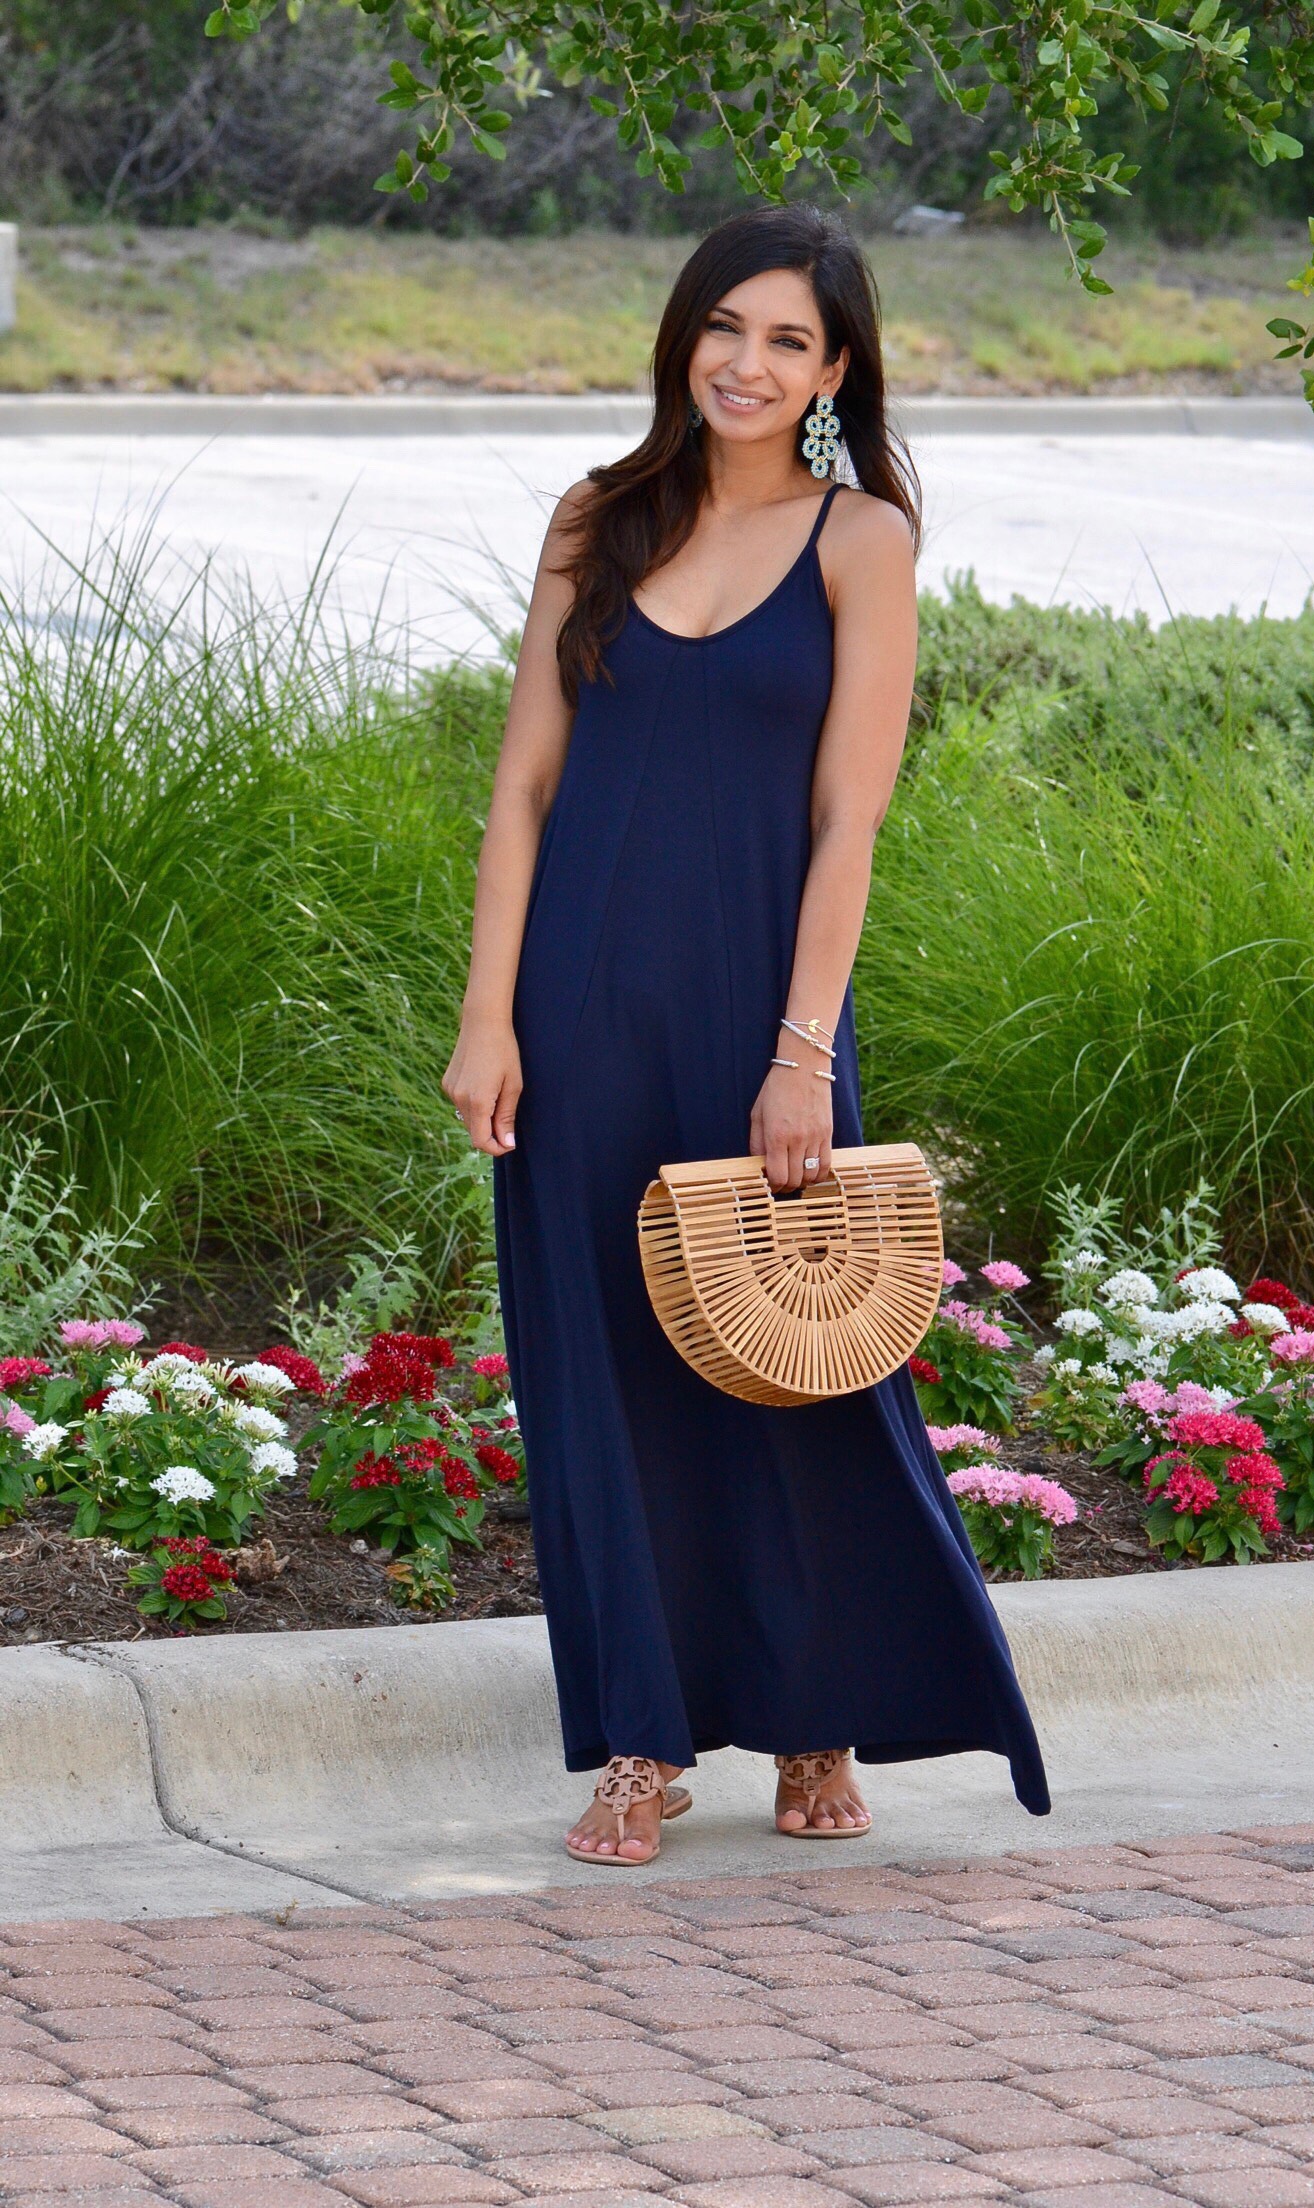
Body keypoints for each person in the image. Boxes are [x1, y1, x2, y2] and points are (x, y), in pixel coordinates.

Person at [443, 203, 1049, 1866]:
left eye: (790, 339)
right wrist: (488, 1013)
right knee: (600, 1377)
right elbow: (523, 789)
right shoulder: (600, 518)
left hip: (758, 1016)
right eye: (727, 326)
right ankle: (643, 1742)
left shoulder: (864, 545)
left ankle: (815, 1711)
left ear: (836, 369)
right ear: (682, 334)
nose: (749, 362)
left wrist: (803, 1048)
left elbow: (851, 820)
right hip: (576, 1008)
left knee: (799, 1365)